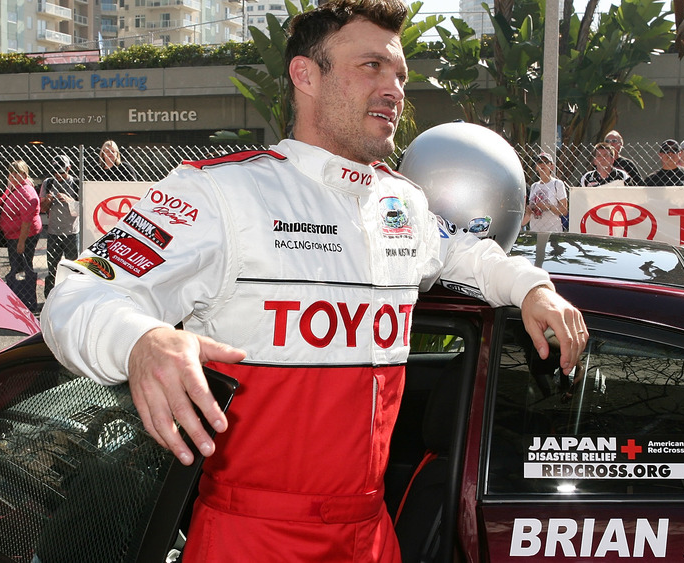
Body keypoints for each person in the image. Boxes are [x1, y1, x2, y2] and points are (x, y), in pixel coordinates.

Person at [40, 1, 588, 560]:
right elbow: (78, 292)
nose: (394, 88)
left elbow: (465, 254)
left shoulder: (399, 201)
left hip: (372, 534)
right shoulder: (219, 194)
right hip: (252, 535)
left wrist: (532, 286)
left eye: (399, 74)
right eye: (369, 66)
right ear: (305, 75)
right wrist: (139, 341)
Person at [0, 159, 42, 312]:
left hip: (23, 236)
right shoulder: (14, 188)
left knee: (22, 269)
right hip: (13, 235)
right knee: (16, 269)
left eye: (15, 173)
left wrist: (21, 242)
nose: (11, 177)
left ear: (24, 174)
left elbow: (27, 221)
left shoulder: (26, 192)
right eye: (10, 173)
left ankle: (26, 301)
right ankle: (19, 300)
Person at [39, 154, 81, 297]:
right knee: (52, 268)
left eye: (61, 172)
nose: (58, 175)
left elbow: (82, 210)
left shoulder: (76, 183)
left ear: (68, 169)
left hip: (72, 232)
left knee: (73, 267)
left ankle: (73, 296)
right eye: (55, 172)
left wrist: (69, 200)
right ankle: (49, 297)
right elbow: (42, 208)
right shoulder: (48, 183)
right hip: (53, 232)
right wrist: (49, 200)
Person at [522, 152, 568, 232]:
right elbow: (529, 216)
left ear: (552, 166)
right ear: (536, 167)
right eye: (540, 162)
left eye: (546, 162)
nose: (542, 165)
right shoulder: (534, 186)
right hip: (535, 230)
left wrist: (549, 207)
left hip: (552, 231)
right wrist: (529, 211)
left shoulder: (557, 184)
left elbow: (564, 211)